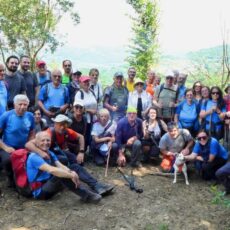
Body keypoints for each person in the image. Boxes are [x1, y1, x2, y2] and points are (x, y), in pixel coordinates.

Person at [26, 131, 112, 202]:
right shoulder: (34, 157)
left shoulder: (50, 153)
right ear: (36, 143)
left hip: (50, 183)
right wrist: (70, 175)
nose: (46, 143)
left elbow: (60, 165)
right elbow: (51, 170)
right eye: (42, 140)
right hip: (41, 191)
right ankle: (87, 196)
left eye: (48, 140)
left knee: (74, 167)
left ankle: (97, 185)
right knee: (60, 174)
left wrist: (71, 172)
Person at [0, 95, 35, 185]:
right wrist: (6, 148)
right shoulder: (6, 116)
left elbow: (32, 132)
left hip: (23, 147)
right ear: (15, 105)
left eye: (25, 105)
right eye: (20, 104)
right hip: (8, 146)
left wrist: (29, 144)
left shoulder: (30, 116)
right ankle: (10, 178)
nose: (23, 107)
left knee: (31, 158)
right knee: (8, 160)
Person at [74, 76, 97, 148]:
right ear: (80, 83)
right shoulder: (79, 93)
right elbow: (77, 107)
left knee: (91, 136)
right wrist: (89, 111)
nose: (87, 83)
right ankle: (82, 152)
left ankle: (89, 153)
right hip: (84, 119)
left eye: (88, 81)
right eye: (84, 82)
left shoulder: (92, 92)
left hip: (93, 119)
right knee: (85, 136)